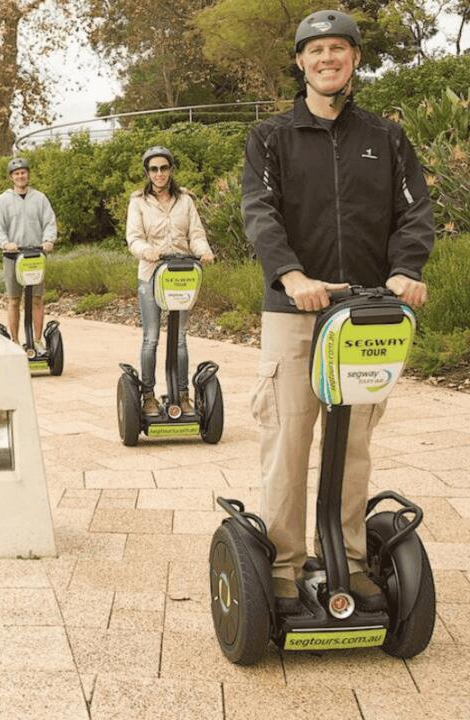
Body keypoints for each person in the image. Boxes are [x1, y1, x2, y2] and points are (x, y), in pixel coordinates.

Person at [242, 9, 433, 617]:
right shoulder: (270, 137)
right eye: (316, 50)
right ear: (300, 61)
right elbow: (260, 211)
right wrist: (291, 274)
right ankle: (283, 565)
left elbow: (414, 212)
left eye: (339, 50)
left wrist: (407, 269)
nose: (328, 59)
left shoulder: (385, 137)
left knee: (353, 447)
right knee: (289, 440)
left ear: (353, 60)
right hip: (296, 312)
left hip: (367, 314)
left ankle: (350, 558)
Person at [125, 146, 215, 416]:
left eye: (164, 168)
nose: (159, 173)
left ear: (171, 170)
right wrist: (146, 251)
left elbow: (196, 233)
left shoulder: (185, 200)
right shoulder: (138, 201)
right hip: (152, 274)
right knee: (151, 338)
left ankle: (183, 395)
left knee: (180, 339)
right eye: (154, 169)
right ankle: (149, 396)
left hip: (181, 274)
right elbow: (134, 238)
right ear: (147, 172)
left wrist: (203, 250)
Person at [0, 157, 57, 347]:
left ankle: (37, 341)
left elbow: (49, 222)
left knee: (36, 299)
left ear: (28, 174)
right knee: (13, 300)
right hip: (13, 256)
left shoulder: (40, 198)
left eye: (23, 172)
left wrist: (48, 240)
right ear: (11, 177)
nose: (21, 176)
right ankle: (15, 341)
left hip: (36, 255)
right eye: (17, 173)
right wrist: (5, 243)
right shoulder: (3, 201)